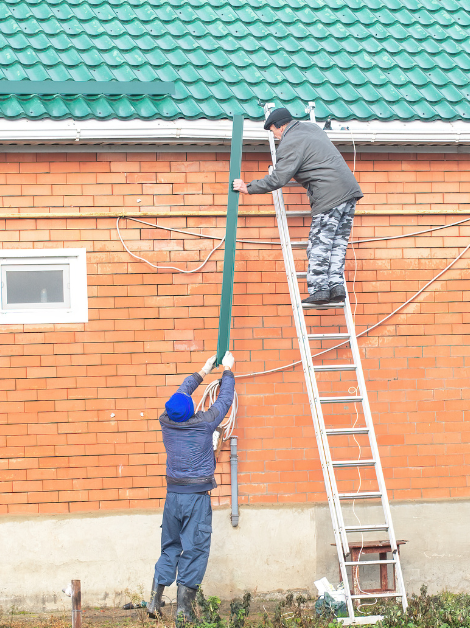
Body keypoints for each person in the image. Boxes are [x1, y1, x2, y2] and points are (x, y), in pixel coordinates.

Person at [233, 107, 362, 305]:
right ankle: (336, 287)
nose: (275, 137)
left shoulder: (290, 142)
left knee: (319, 244)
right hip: (349, 192)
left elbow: (279, 178)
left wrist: (248, 187)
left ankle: (320, 290)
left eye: (273, 131)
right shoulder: (312, 128)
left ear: (280, 126)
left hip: (329, 195)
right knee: (337, 243)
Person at [148, 351, 236, 626]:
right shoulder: (204, 423)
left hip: (173, 497)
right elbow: (224, 401)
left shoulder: (166, 421)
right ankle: (184, 611)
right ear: (191, 410)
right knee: (195, 550)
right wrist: (227, 372)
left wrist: (202, 371)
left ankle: (154, 600)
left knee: (170, 548)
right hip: (195, 499)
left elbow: (179, 396)